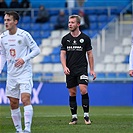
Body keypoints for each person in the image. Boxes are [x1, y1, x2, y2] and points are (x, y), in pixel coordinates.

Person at [0, 11, 40, 133]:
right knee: (13, 102)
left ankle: (27, 128)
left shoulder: (24, 35)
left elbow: (36, 50)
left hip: (24, 73)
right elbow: (2, 54)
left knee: (25, 98)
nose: (6, 22)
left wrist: (24, 59)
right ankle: (19, 129)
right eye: (5, 20)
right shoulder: (2, 37)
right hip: (11, 74)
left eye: (9, 20)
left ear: (15, 21)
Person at [60, 15, 96, 125]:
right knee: (72, 93)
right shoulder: (65, 39)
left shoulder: (85, 38)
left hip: (82, 69)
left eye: (72, 22)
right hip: (70, 70)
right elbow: (62, 54)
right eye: (69, 22)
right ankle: (74, 117)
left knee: (83, 89)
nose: (70, 24)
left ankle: (86, 116)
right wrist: (64, 67)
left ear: (78, 24)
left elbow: (90, 54)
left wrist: (92, 69)